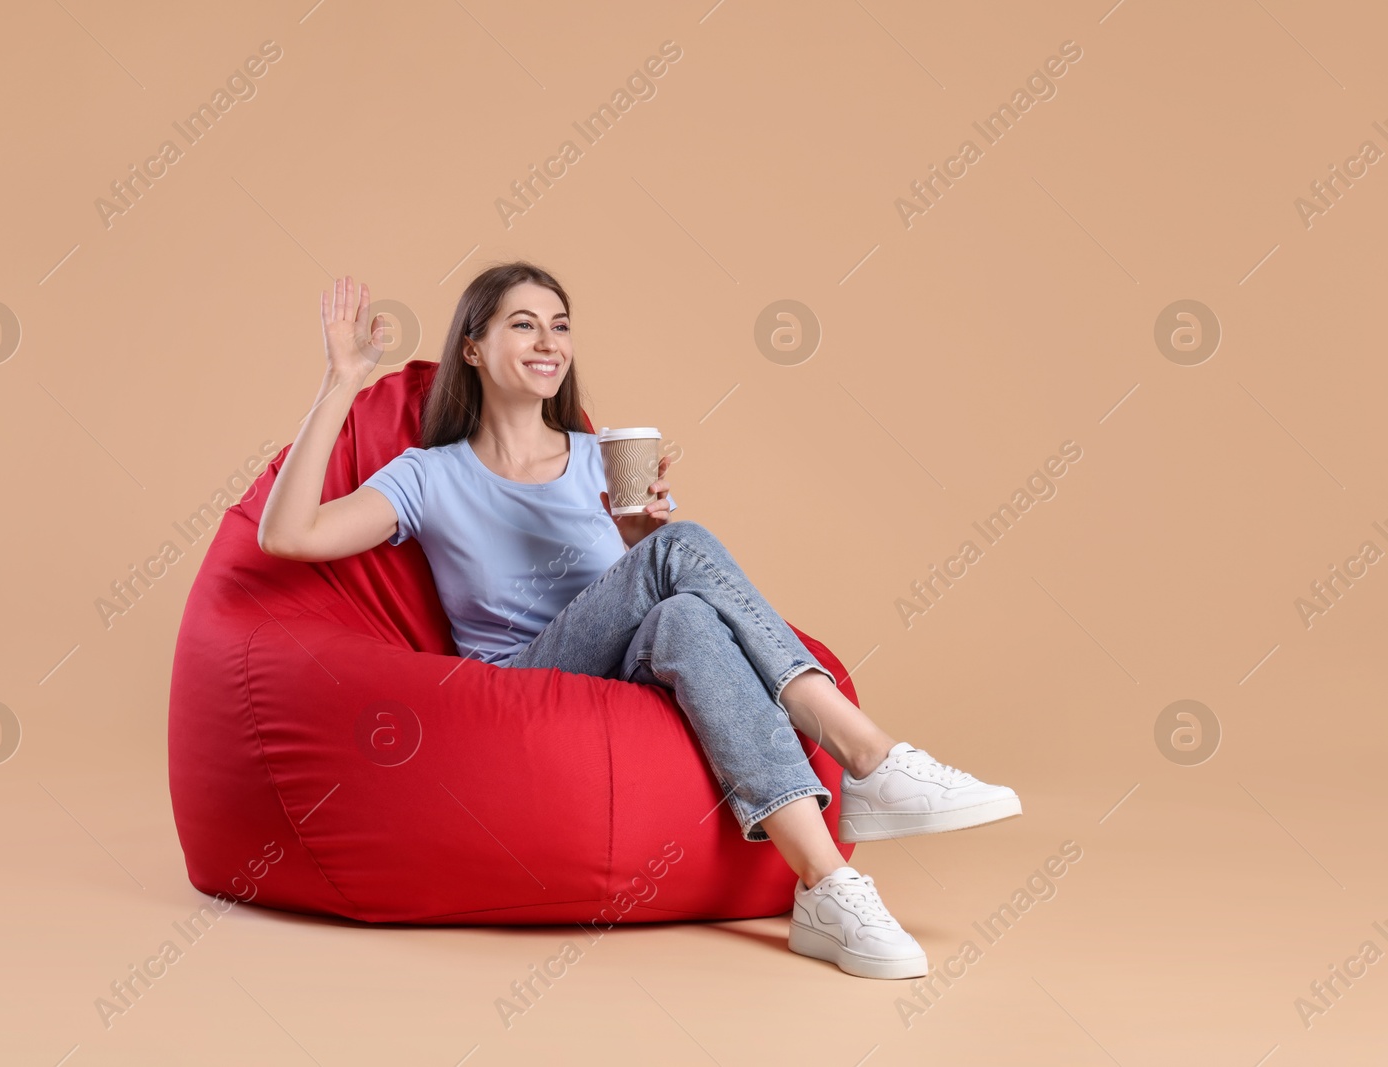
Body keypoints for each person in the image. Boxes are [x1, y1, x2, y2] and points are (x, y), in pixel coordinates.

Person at [258, 264, 1022, 980]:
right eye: (522, 325)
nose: (547, 341)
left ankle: (828, 886)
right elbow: (287, 536)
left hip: (620, 661)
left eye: (559, 324)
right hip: (517, 680)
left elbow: (643, 589)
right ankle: (868, 755)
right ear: (474, 346)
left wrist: (635, 543)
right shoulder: (430, 473)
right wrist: (341, 383)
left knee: (686, 611)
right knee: (681, 552)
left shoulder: (599, 457)